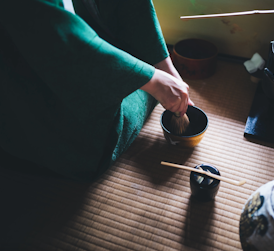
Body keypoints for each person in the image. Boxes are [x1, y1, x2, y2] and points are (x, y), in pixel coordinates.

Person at [0, 0, 193, 181]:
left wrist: (164, 66)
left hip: (87, 34)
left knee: (146, 76)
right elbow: (55, 34)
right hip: (38, 67)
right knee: (96, 140)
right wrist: (151, 79)